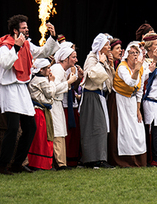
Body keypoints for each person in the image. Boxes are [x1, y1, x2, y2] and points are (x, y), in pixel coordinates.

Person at [0, 15, 38, 175]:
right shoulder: (5, 45)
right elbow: (6, 63)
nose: (27, 30)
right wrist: (16, 47)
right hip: (8, 88)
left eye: (27, 27)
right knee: (13, 128)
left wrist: (52, 38)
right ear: (15, 30)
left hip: (21, 89)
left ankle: (17, 163)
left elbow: (41, 52)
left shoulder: (26, 44)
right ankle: (2, 165)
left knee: (30, 127)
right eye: (23, 28)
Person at [110, 42, 150, 167]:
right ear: (127, 55)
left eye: (137, 53)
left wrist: (138, 109)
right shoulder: (122, 67)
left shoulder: (141, 68)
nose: (134, 56)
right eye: (132, 53)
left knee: (137, 129)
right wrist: (136, 69)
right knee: (124, 130)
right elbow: (130, 82)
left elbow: (139, 90)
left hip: (132, 102)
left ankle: (139, 160)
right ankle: (125, 160)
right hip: (120, 100)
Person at [80, 33, 115, 169]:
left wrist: (109, 65)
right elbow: (93, 75)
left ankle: (99, 158)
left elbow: (108, 81)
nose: (108, 47)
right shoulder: (92, 58)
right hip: (91, 96)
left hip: (99, 96)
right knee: (95, 128)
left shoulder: (102, 58)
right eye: (106, 45)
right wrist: (100, 62)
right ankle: (95, 159)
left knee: (101, 127)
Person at [50, 45, 78, 170]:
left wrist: (68, 80)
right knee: (58, 131)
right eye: (73, 57)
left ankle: (61, 162)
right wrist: (69, 82)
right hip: (54, 103)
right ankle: (59, 163)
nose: (76, 60)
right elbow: (54, 89)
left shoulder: (61, 70)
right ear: (65, 59)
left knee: (61, 131)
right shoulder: (57, 68)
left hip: (58, 103)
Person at [27, 59, 56, 170]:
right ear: (41, 70)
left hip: (40, 110)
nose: (49, 70)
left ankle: (38, 162)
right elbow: (50, 94)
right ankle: (40, 163)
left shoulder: (36, 79)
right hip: (40, 110)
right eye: (47, 68)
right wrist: (52, 82)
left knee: (40, 137)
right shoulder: (41, 80)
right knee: (41, 137)